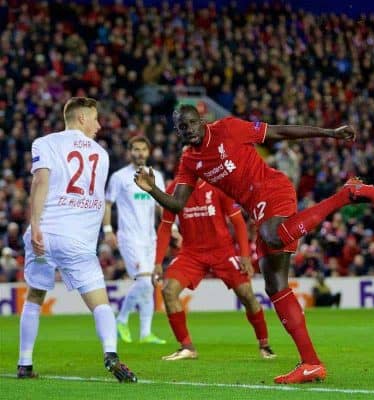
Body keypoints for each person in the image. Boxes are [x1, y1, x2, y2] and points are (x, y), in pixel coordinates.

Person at [134, 106, 374, 384]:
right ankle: (311, 363)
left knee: (274, 235)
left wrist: (329, 133)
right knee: (275, 286)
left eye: (193, 123)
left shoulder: (228, 129)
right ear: (178, 131)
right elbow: (177, 204)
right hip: (257, 210)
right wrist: (153, 189)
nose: (189, 129)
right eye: (183, 127)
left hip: (273, 189)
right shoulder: (190, 162)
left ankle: (346, 195)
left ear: (202, 121)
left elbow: (278, 132)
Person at [18, 97, 137, 382]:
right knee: (100, 303)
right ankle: (110, 353)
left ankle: (25, 363)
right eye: (95, 119)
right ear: (81, 118)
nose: (98, 126)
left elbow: (41, 182)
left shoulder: (44, 143)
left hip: (44, 233)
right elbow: (93, 201)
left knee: (34, 296)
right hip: (77, 241)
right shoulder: (102, 154)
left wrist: (34, 226)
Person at [154, 177, 276, 360]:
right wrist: (157, 262)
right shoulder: (174, 188)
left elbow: (238, 222)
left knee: (246, 294)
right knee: (168, 291)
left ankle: (264, 344)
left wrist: (244, 255)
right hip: (191, 253)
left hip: (222, 251)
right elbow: (165, 226)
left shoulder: (218, 185)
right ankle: (187, 347)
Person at [103, 136, 166, 344]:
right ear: (129, 152)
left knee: (150, 284)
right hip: (129, 237)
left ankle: (145, 333)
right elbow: (108, 203)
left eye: (143, 150)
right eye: (136, 149)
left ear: (148, 152)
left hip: (150, 238)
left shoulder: (155, 176)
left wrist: (172, 228)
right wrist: (108, 229)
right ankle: (121, 319)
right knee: (145, 280)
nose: (140, 153)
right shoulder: (119, 177)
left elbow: (163, 206)